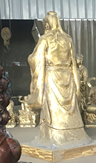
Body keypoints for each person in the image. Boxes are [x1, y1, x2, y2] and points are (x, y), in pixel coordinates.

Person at [27, 11, 91, 148]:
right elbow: (73, 61)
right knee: (69, 109)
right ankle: (74, 135)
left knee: (53, 108)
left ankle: (55, 136)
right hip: (67, 75)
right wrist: (76, 82)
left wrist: (30, 58)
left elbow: (36, 59)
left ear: (47, 24)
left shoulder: (45, 39)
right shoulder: (67, 39)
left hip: (52, 76)